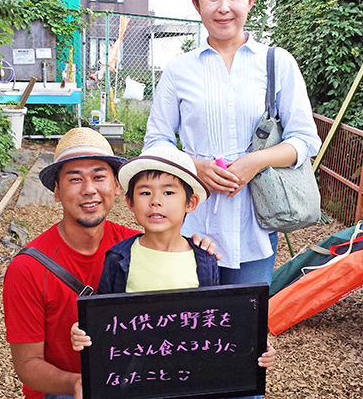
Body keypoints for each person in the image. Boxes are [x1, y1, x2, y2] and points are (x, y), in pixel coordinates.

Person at [2, 128, 218, 399]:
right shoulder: (28, 268)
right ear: (56, 191)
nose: (89, 189)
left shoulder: (137, 245)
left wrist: (196, 248)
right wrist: (79, 383)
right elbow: (27, 365)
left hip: (141, 379)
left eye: (99, 176)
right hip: (69, 390)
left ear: (117, 187)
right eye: (75, 179)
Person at [143, 0, 322, 288]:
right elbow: (155, 142)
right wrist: (196, 166)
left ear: (251, 0)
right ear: (196, 4)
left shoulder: (277, 63)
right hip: (191, 222)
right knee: (191, 322)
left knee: (243, 324)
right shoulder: (179, 71)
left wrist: (254, 162)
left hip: (254, 224)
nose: (223, 7)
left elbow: (306, 139)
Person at [70, 146, 276, 397]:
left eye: (168, 192)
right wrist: (83, 332)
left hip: (186, 379)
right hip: (135, 379)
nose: (156, 201)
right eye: (145, 192)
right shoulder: (119, 258)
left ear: (190, 202)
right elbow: (103, 318)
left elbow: (215, 322)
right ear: (130, 203)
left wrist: (250, 344)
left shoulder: (204, 261)